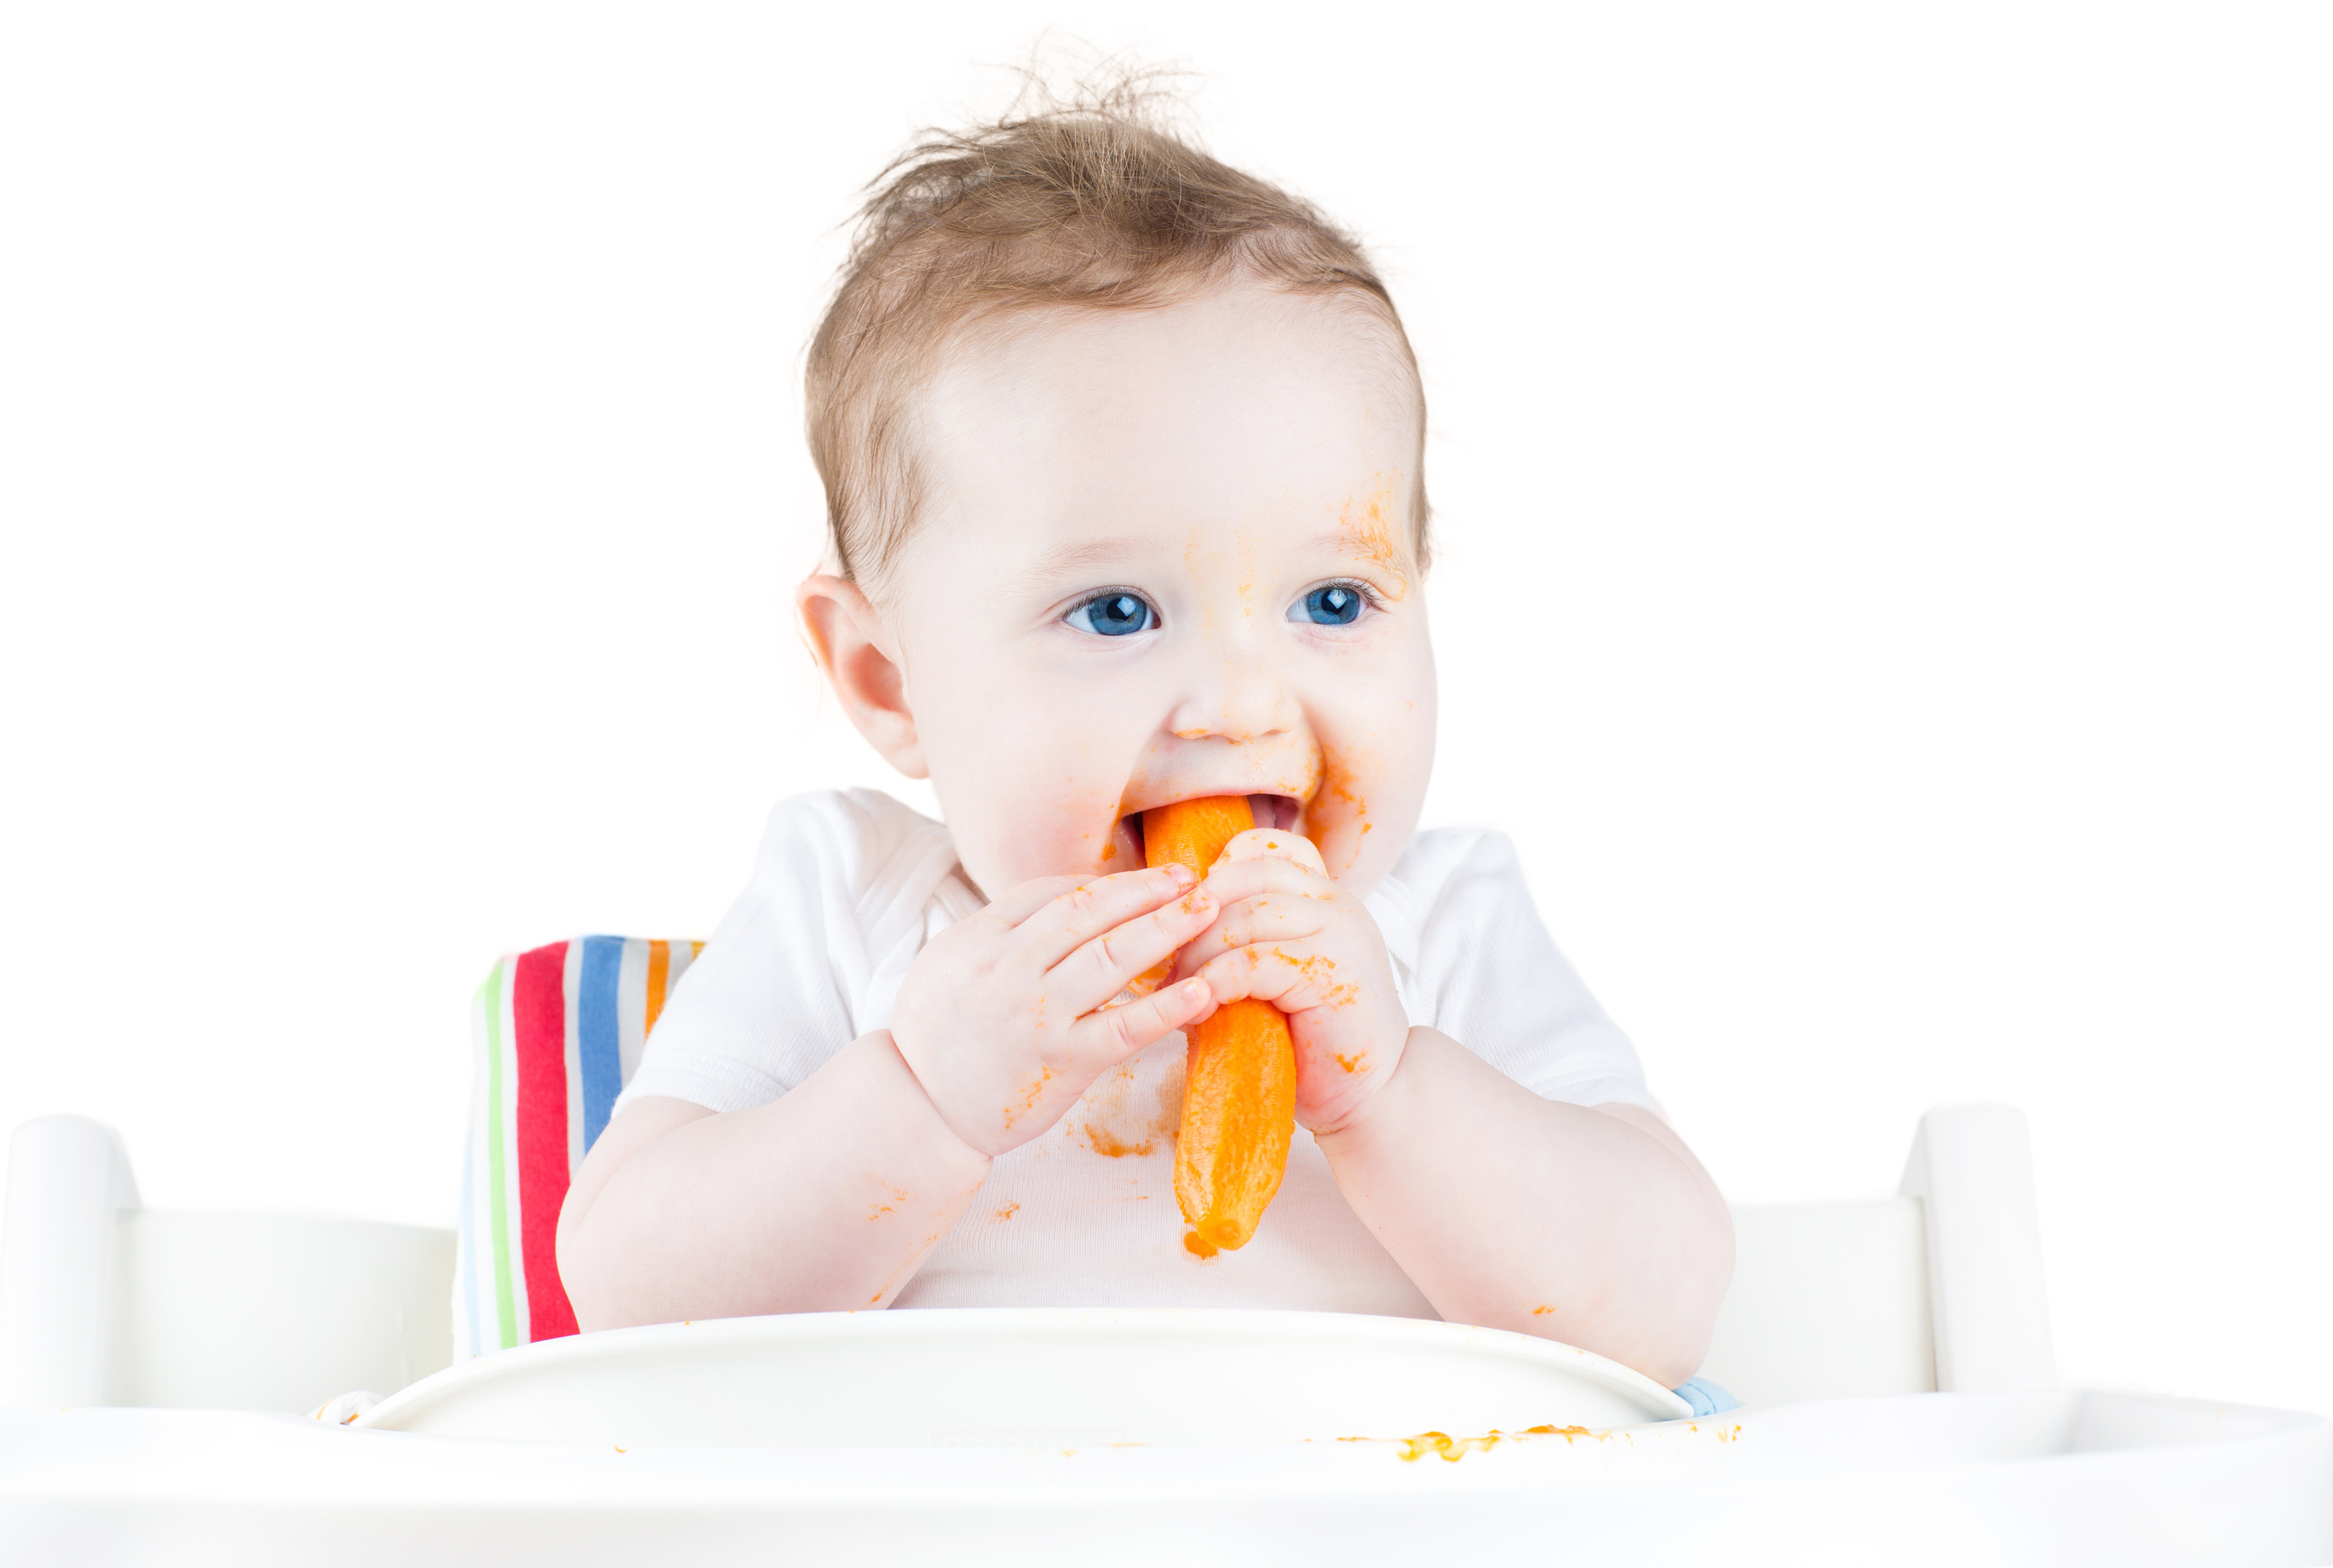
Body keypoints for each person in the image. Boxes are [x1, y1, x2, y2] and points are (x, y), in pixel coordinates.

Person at [555, 89, 1733, 1387]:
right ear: (888, 679)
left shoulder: (1441, 925)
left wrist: (1391, 1090)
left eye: (1330, 601)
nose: (1240, 703)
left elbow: (1663, 1306)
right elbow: (627, 1300)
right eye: (1115, 613)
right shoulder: (847, 904)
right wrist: (918, 1096)